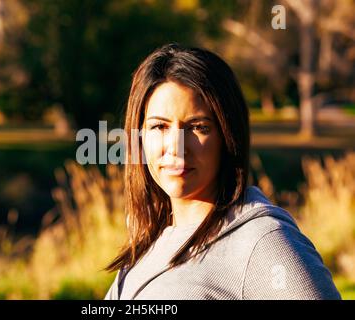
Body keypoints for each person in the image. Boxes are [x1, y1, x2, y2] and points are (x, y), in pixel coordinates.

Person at [103, 43, 341, 300]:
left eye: (197, 127)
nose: (176, 147)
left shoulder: (263, 240)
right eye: (159, 127)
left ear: (228, 136)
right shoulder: (150, 241)